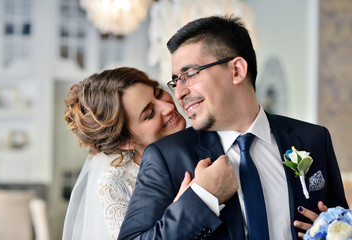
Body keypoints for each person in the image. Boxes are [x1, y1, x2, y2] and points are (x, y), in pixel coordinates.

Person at [118, 15, 348, 240]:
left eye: (189, 75)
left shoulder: (313, 139)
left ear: (237, 70)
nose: (178, 93)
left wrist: (331, 230)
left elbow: (342, 222)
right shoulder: (167, 157)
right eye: (176, 81)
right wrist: (203, 198)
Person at [61, 67, 186, 240]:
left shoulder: (202, 131)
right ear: (126, 142)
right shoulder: (115, 184)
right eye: (149, 114)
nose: (168, 107)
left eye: (157, 93)